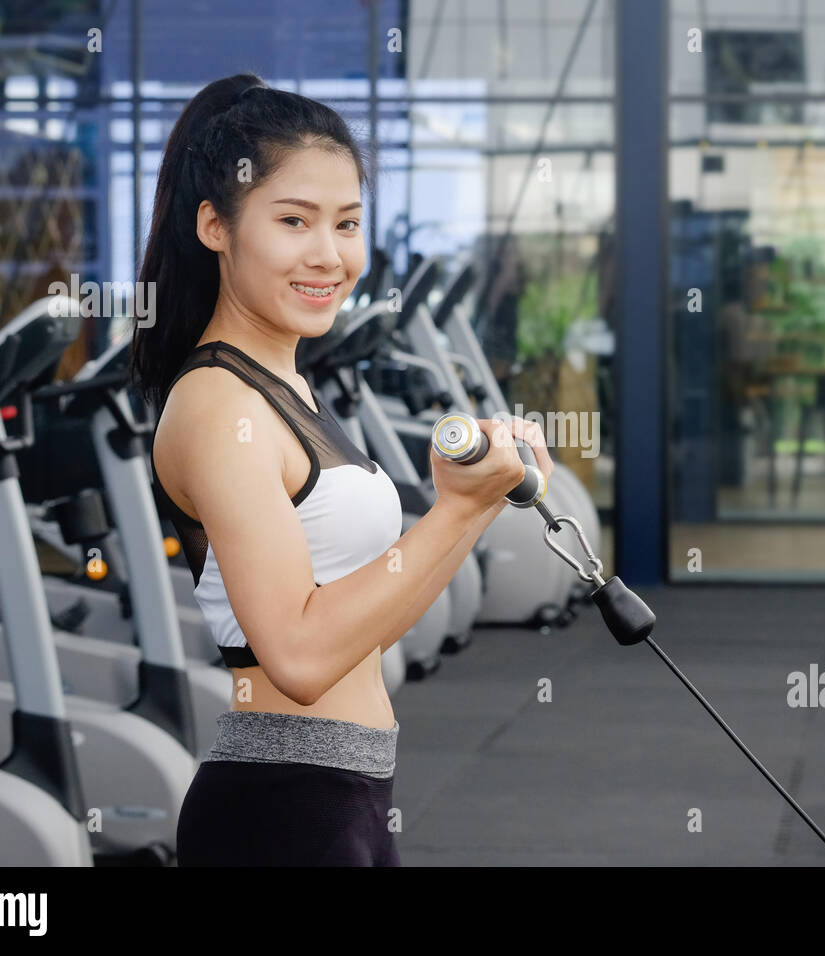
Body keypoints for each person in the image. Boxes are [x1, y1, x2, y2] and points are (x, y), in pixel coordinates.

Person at [131, 73, 552, 866]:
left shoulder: (282, 381)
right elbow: (298, 654)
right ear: (214, 226)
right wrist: (458, 511)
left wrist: (483, 496)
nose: (329, 255)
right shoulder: (221, 407)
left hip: (339, 794)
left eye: (347, 223)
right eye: (294, 221)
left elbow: (365, 609)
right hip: (285, 809)